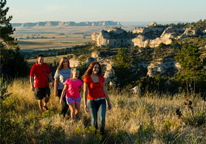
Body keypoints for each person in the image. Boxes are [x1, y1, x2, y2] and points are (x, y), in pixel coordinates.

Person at [82, 61, 112, 135]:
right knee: (94, 120)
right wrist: (85, 104)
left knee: (102, 119)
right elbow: (85, 92)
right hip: (91, 102)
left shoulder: (101, 78)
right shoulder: (87, 78)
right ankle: (94, 136)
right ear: (91, 68)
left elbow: (104, 89)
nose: (96, 69)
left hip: (101, 100)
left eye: (98, 68)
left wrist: (108, 101)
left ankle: (101, 135)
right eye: (95, 67)